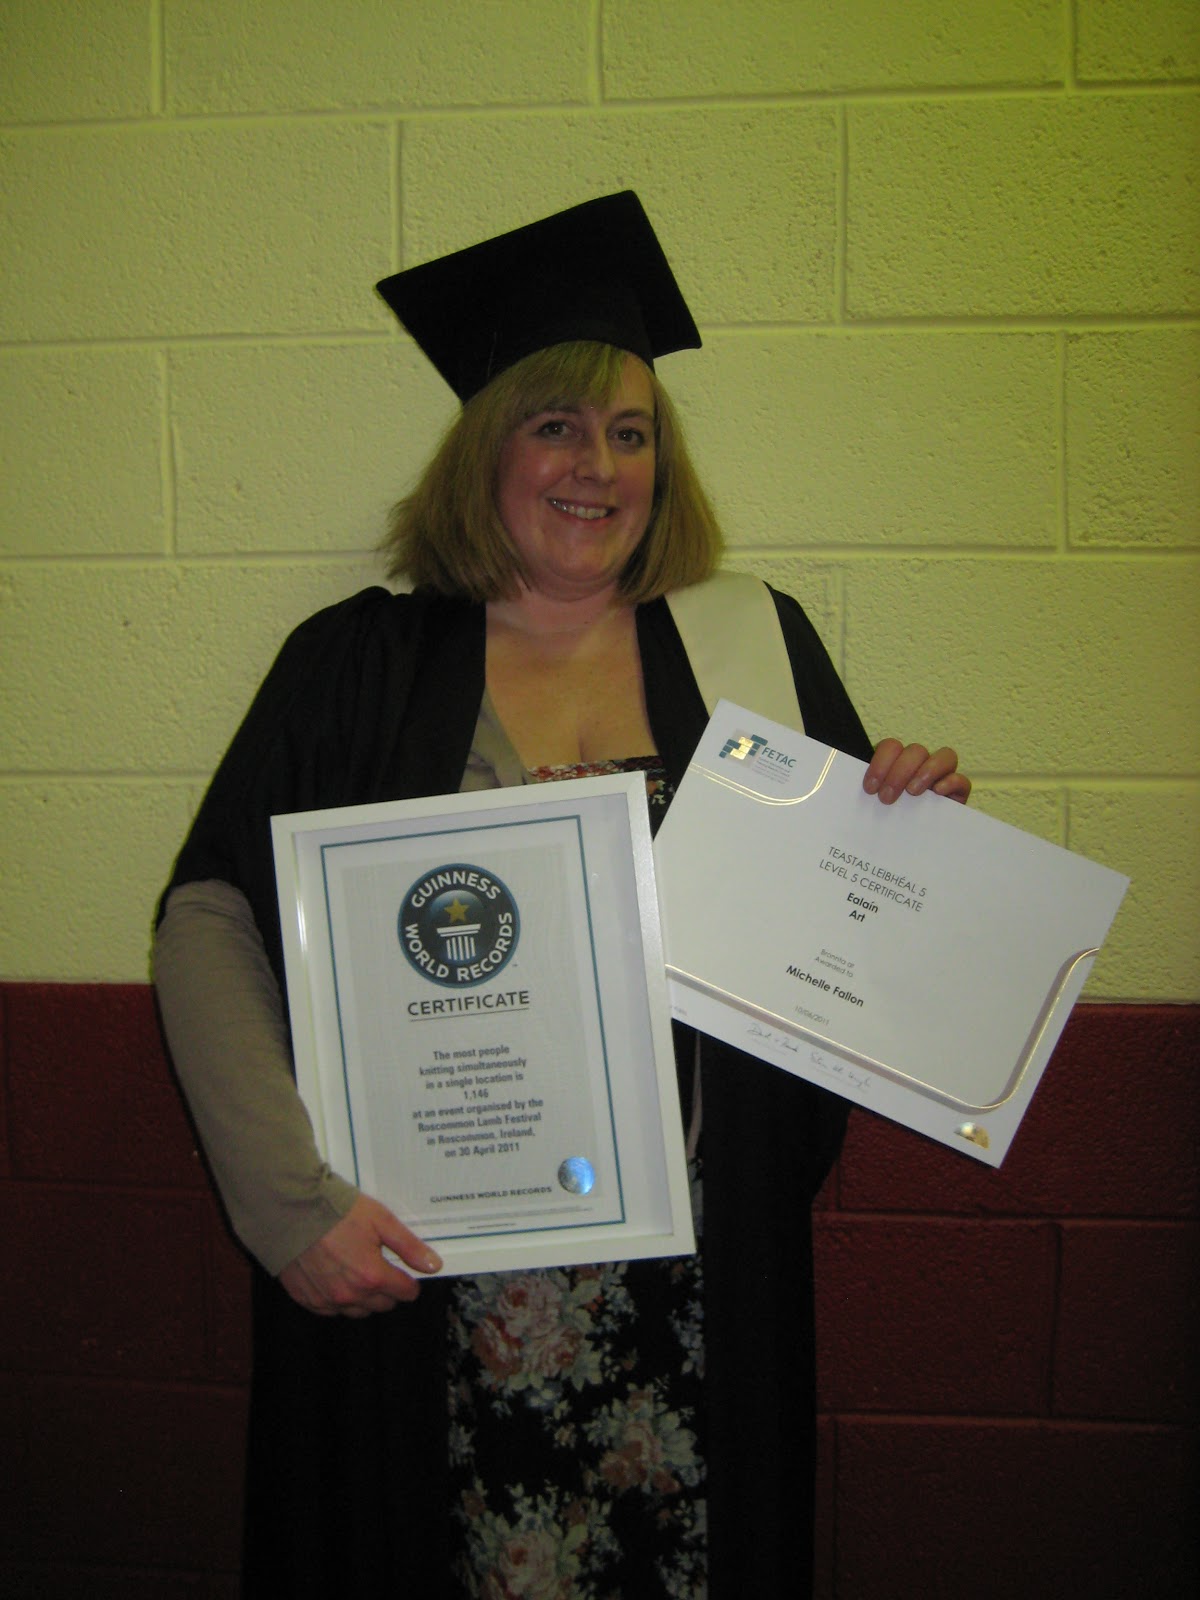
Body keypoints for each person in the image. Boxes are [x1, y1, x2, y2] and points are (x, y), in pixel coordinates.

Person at [154, 192, 969, 1599]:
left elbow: (848, 957)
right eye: (558, 426)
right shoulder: (358, 664)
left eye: (633, 434)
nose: (599, 466)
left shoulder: (751, 648)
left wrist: (907, 840)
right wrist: (288, 1207)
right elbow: (209, 917)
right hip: (429, 1277)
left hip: (697, 1282)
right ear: (488, 449)